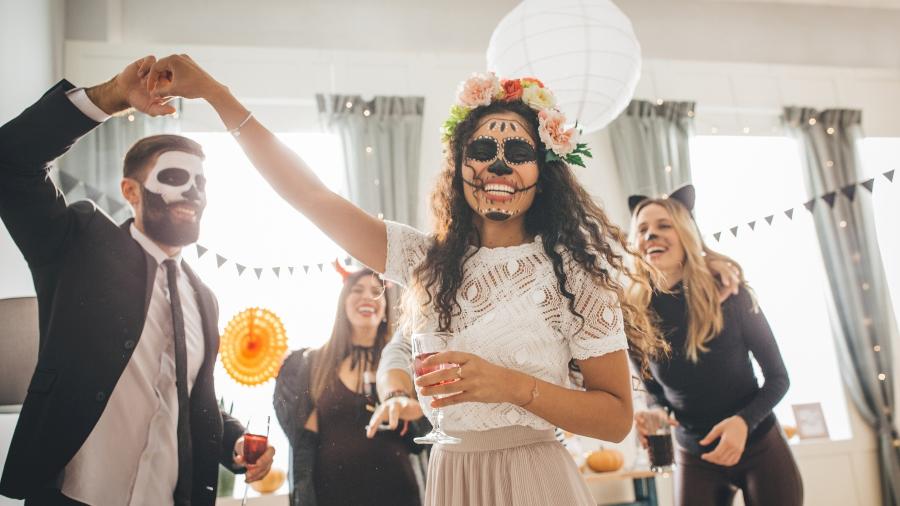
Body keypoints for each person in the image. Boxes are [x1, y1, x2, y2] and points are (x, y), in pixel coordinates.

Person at [145, 55, 659, 505]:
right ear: (459, 167)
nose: (498, 165)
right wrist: (217, 95)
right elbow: (311, 197)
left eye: (518, 154)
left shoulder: (575, 279)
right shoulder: (424, 261)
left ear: (543, 173)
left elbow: (615, 419)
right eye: (482, 151)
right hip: (451, 478)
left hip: (535, 480)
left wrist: (512, 386)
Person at [0, 56, 274, 505]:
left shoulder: (203, 298)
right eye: (174, 177)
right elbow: (10, 161)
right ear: (131, 191)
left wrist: (235, 442)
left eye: (201, 183)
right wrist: (108, 96)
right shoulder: (79, 247)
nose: (192, 192)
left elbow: (187, 398)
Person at [628, 186, 803, 506]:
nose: (651, 234)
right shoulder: (634, 314)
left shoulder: (732, 294)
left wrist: (742, 422)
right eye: (642, 229)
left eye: (663, 225)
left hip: (759, 444)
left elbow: (779, 378)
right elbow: (653, 390)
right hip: (694, 455)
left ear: (686, 233)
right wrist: (654, 411)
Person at [273, 267, 425, 506]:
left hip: (398, 493)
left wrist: (414, 410)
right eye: (358, 290)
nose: (367, 296)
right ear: (343, 303)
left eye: (377, 291)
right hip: (333, 495)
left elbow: (422, 438)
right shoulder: (312, 363)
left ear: (386, 309)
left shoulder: (403, 364)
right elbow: (303, 445)